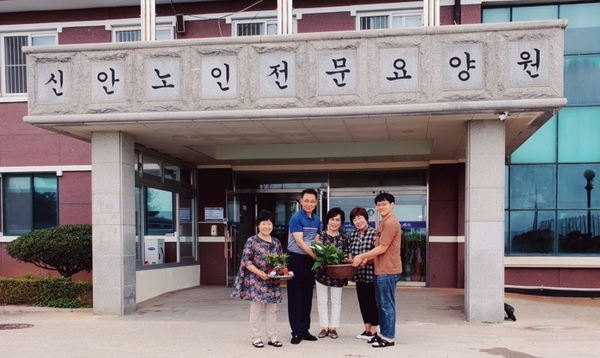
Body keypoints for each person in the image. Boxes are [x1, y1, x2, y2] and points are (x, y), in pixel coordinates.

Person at [351, 193, 402, 348]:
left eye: (384, 204)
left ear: (392, 204)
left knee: (387, 305)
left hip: (389, 270)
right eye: (378, 205)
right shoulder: (383, 223)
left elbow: (383, 247)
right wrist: (368, 260)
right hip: (380, 270)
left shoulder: (391, 223)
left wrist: (361, 256)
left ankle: (388, 337)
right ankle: (381, 334)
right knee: (380, 304)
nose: (381, 207)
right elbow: (379, 251)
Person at [230, 210, 284, 348]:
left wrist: (278, 271)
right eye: (264, 223)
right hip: (257, 280)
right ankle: (256, 338)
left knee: (272, 310)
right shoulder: (252, 241)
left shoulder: (276, 242)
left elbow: (280, 261)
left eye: (269, 223)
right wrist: (260, 273)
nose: (267, 226)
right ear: (258, 225)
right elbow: (246, 261)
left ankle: (272, 337)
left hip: (273, 280)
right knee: (256, 310)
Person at [287, 188, 321, 344]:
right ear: (301, 201)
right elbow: (299, 241)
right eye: (306, 201)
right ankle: (296, 332)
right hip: (296, 259)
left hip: (309, 260)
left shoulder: (317, 219)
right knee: (295, 296)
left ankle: (305, 329)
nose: (309, 204)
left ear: (316, 202)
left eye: (312, 201)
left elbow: (317, 239)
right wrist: (315, 255)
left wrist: (320, 254)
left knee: (307, 295)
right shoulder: (296, 217)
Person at [313, 207, 351, 340]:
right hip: (321, 273)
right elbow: (316, 254)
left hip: (338, 274)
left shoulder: (345, 238)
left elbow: (348, 256)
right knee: (322, 301)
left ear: (341, 222)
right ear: (327, 220)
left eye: (338, 220)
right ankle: (324, 327)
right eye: (332, 219)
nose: (334, 222)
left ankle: (333, 328)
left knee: (336, 300)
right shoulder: (320, 236)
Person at [348, 207, 379, 341]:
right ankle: (366, 329)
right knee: (363, 302)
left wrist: (366, 261)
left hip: (371, 274)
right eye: (355, 219)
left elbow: (378, 253)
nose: (357, 221)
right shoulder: (353, 235)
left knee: (373, 302)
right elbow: (350, 251)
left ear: (366, 218)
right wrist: (350, 259)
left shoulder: (374, 233)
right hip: (359, 274)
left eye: (360, 218)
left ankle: (374, 330)